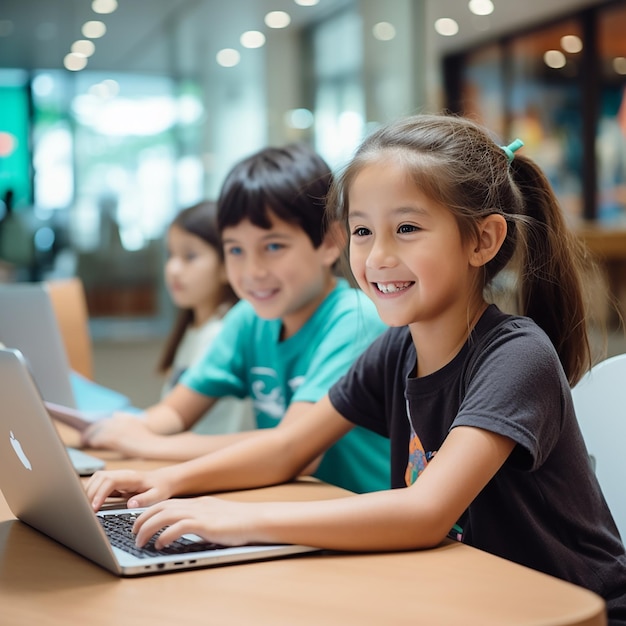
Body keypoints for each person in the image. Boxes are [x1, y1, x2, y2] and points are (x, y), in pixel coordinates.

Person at [85, 114, 626, 622]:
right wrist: (165, 483)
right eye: (363, 232)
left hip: (568, 610)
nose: (377, 258)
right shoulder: (396, 350)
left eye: (408, 229)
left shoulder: (515, 355)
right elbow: (287, 447)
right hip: (464, 593)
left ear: (482, 240)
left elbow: (424, 511)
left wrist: (236, 520)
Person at [83, 143, 391, 494]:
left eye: (273, 246)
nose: (252, 271)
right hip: (290, 500)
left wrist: (149, 445)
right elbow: (175, 412)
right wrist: (123, 430)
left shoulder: (356, 320)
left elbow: (295, 449)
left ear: (331, 242)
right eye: (235, 250)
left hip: (358, 512)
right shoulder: (249, 318)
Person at [158, 201, 254, 435]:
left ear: (226, 265)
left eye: (189, 256)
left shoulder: (223, 331)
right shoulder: (195, 328)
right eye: (171, 255)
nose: (173, 268)